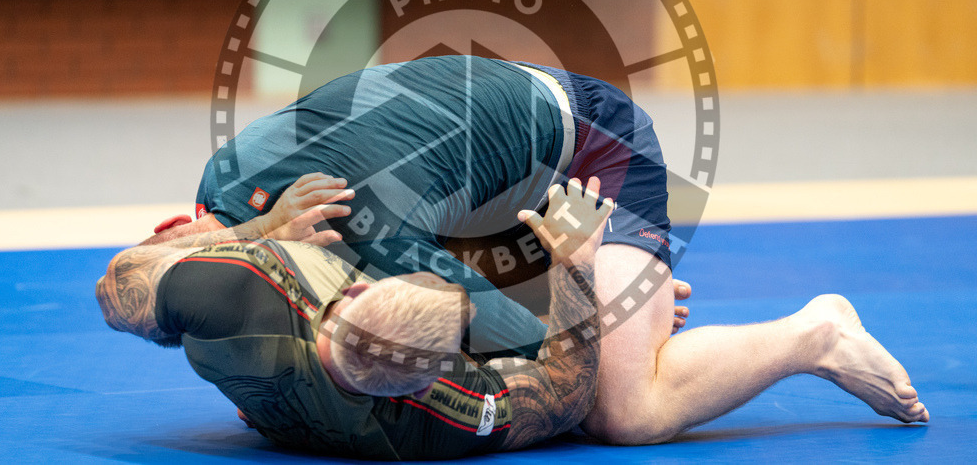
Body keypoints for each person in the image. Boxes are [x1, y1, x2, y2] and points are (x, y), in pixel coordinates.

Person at [146, 55, 929, 444]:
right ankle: (625, 296)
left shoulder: (362, 228)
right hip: (486, 174)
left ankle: (816, 332)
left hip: (600, 149)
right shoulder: (224, 181)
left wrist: (587, 278)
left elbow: (558, 352)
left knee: (621, 407)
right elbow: (140, 286)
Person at [97, 174, 613, 459]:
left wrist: (259, 229)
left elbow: (117, 283)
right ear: (442, 372)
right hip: (278, 404)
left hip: (245, 347)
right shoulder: (435, 419)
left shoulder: (244, 283)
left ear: (354, 289)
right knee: (630, 408)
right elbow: (567, 395)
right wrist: (580, 266)